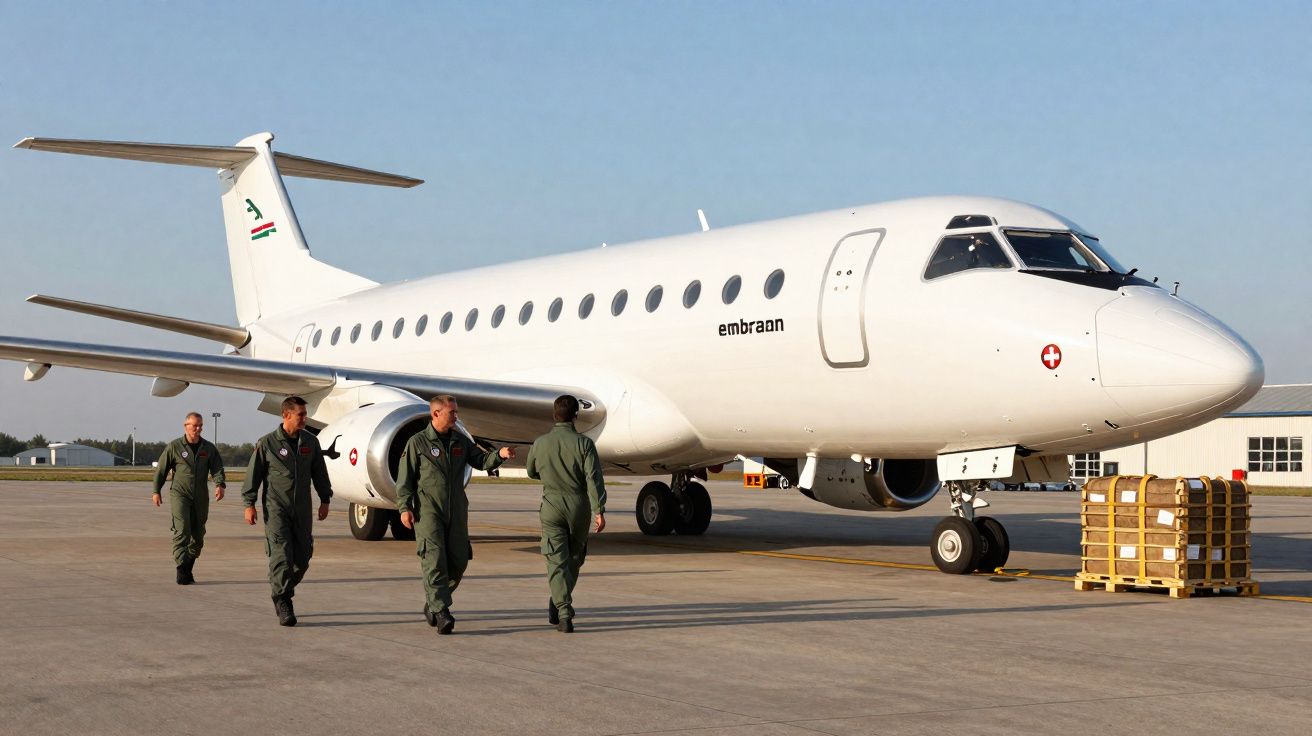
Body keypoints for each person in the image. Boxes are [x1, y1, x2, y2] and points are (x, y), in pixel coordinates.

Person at [396, 395, 514, 634]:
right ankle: (442, 612)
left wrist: (499, 456)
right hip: (428, 510)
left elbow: (480, 461)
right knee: (435, 560)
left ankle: (433, 601)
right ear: (436, 414)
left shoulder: (460, 441)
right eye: (452, 413)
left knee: (459, 561)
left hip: (457, 509)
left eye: (456, 412)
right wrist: (404, 508)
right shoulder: (417, 443)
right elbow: (405, 479)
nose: (456, 416)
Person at [240, 396, 332, 627]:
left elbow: (319, 473)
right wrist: (249, 504)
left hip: (302, 509)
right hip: (276, 507)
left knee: (303, 558)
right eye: (300, 414)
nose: (304, 418)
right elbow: (254, 475)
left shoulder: (311, 442)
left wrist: (325, 499)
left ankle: (280, 587)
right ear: (286, 415)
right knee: (281, 554)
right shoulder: (268, 443)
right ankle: (283, 600)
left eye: (305, 414)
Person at [525, 395, 606, 633]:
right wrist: (598, 510)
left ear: (554, 415)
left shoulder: (540, 443)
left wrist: (551, 476)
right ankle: (563, 610)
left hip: (551, 504)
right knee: (574, 558)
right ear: (575, 415)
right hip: (578, 505)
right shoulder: (585, 444)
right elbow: (593, 479)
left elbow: (531, 472)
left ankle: (560, 603)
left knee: (555, 560)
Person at [152, 412, 226, 585]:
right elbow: (161, 470)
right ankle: (181, 569)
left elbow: (217, 468)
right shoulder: (174, 447)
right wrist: (156, 491)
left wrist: (220, 485)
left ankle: (187, 567)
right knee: (182, 530)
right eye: (194, 425)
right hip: (180, 494)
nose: (198, 429)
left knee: (198, 535)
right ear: (186, 426)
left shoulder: (208, 448)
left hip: (200, 495)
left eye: (200, 425)